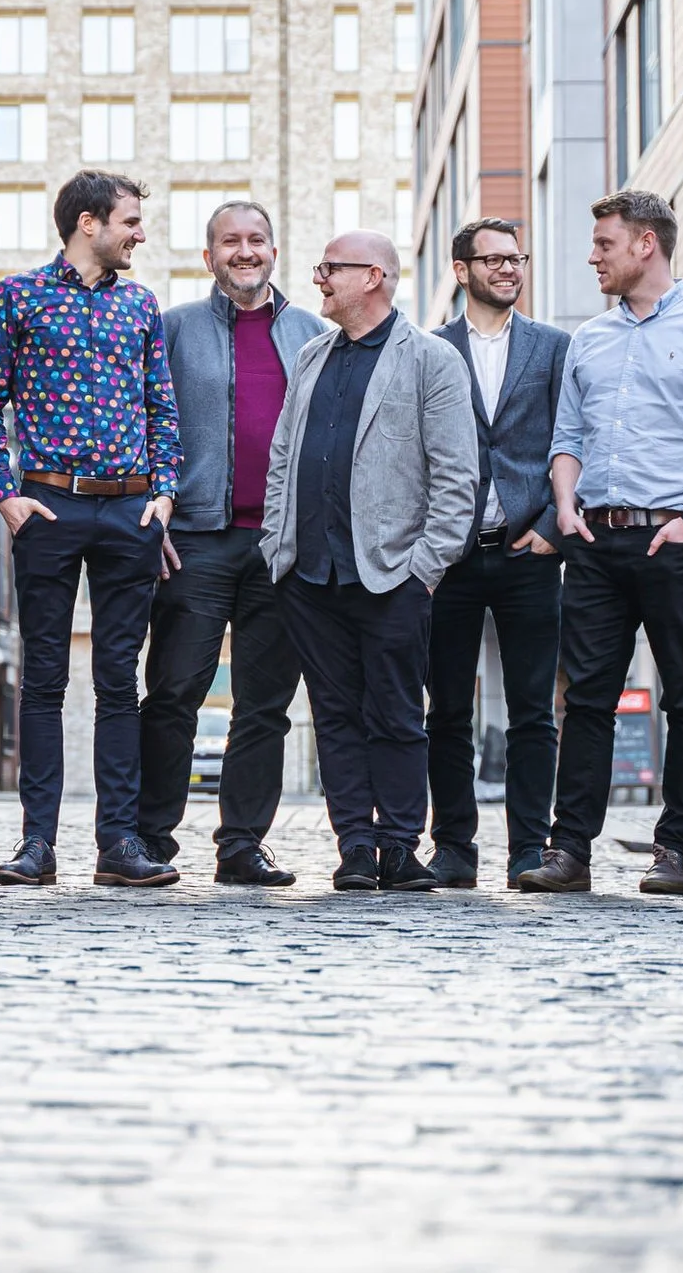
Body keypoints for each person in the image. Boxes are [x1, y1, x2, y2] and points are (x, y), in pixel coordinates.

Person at [526, 191, 683, 897]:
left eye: (604, 242)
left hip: (676, 539)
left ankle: (674, 851)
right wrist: (566, 502)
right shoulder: (590, 339)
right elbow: (567, 437)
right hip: (595, 539)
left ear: (645, 245)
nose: (592, 256)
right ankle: (569, 849)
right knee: (586, 699)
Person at [0, 170, 183, 887]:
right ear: (88, 222)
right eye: (130, 220)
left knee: (119, 680)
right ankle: (38, 843)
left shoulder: (141, 305)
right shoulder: (17, 296)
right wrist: (5, 495)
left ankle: (118, 844)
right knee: (44, 680)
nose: (139, 233)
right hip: (49, 505)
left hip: (129, 511)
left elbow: (163, 407)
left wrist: (164, 494)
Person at [261, 231, 478, 893]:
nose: (319, 277)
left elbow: (457, 477)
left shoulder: (431, 360)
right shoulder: (309, 355)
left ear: (375, 276)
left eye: (331, 267)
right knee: (333, 714)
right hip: (310, 574)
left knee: (396, 714)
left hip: (391, 575)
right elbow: (281, 460)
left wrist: (424, 568)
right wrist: (278, 548)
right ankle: (354, 844)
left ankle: (398, 847)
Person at [135, 201, 326, 887]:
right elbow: (144, 423)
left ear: (274, 250)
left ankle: (242, 842)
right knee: (172, 692)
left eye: (257, 239)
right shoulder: (173, 328)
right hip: (194, 541)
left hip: (282, 548)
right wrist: (150, 520)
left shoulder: (314, 333)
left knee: (265, 703)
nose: (244, 251)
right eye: (229, 241)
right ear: (209, 254)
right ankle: (150, 837)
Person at [423, 218, 571, 889]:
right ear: (462, 270)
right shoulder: (429, 350)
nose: (510, 269)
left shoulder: (554, 348)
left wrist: (552, 529)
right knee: (446, 708)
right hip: (450, 556)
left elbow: (577, 439)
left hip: (529, 549)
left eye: (517, 257)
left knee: (533, 710)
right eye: (495, 259)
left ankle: (528, 851)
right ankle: (453, 847)